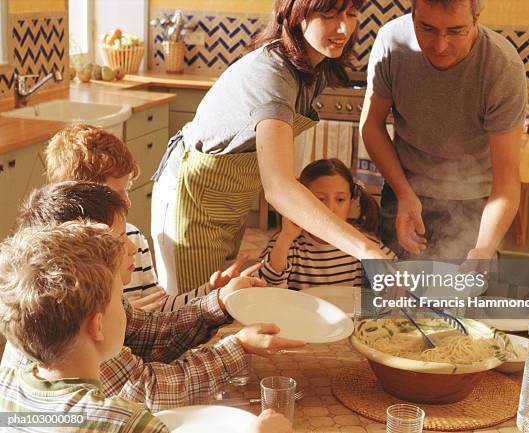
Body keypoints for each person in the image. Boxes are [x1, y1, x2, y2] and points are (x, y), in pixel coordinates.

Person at [151, 0, 390, 295]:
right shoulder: (271, 74)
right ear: (296, 15)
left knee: (217, 298)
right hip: (190, 200)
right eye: (328, 15)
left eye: (351, 14)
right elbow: (278, 188)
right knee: (189, 308)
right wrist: (364, 248)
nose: (344, 28)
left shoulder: (313, 70)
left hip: (229, 201)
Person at [1, 181, 305, 413]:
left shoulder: (82, 298)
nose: (132, 248)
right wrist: (236, 348)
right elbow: (151, 392)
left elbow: (150, 332)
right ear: (82, 250)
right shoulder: (69, 332)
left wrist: (220, 302)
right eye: (120, 240)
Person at [360, 0, 526, 260]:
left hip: (476, 203)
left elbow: (506, 181)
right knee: (394, 291)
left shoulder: (501, 67)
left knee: (465, 293)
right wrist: (404, 193)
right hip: (403, 188)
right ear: (412, 11)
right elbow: (371, 127)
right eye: (426, 28)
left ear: (477, 17)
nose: (439, 46)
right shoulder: (392, 43)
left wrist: (483, 249)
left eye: (456, 31)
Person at [46, 123, 259, 310]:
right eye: (115, 193)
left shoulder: (133, 238)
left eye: (127, 188)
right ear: (79, 197)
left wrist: (212, 292)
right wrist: (122, 316)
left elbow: (160, 306)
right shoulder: (57, 261)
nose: (127, 202)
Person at [0, 221, 169, 432]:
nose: (124, 307)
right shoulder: (128, 424)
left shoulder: (6, 386)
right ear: (97, 325)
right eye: (119, 299)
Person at [259, 158, 394, 290]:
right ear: (301, 201)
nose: (330, 209)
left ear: (352, 201)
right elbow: (266, 285)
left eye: (340, 199)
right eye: (320, 200)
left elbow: (397, 276)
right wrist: (286, 237)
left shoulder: (364, 244)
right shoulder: (289, 243)